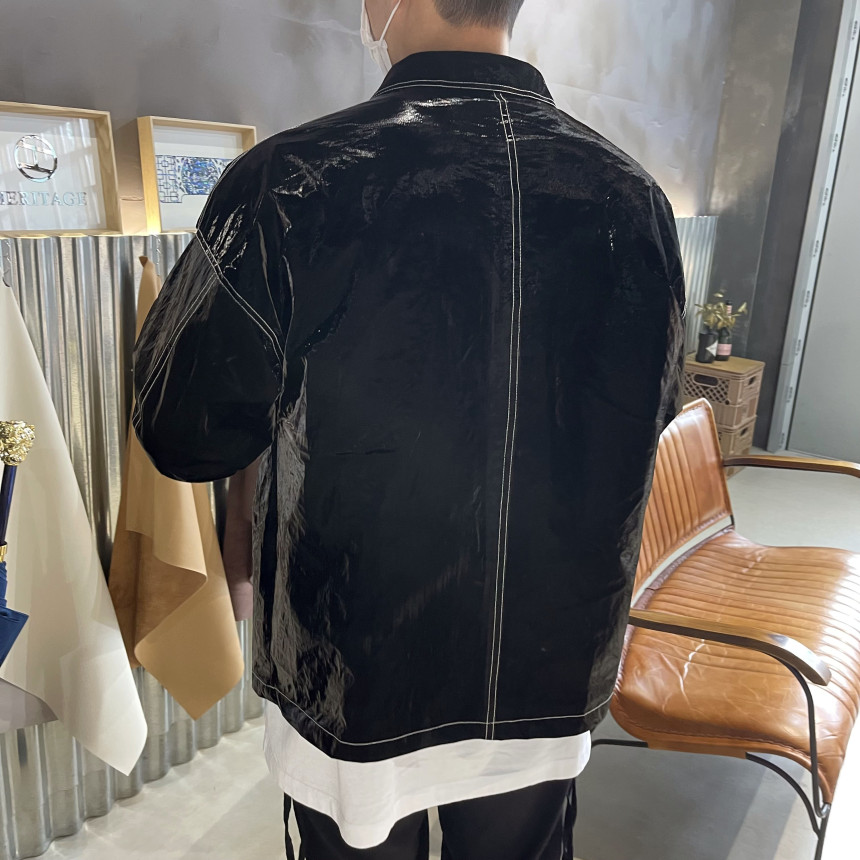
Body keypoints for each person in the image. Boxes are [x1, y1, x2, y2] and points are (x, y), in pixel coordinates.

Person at [132, 0, 687, 857]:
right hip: (548, 660)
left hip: (354, 666)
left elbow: (183, 431)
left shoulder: (292, 180)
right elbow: (649, 410)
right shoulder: (633, 197)